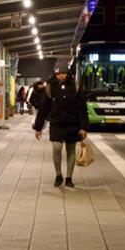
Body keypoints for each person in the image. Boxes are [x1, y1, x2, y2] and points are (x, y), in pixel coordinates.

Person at [33, 59, 89, 188]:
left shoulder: (75, 86)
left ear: (68, 73)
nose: (61, 76)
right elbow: (43, 108)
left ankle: (69, 178)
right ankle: (58, 175)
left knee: (71, 150)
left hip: (72, 124)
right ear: (55, 74)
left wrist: (83, 127)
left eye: (63, 73)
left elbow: (82, 108)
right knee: (56, 148)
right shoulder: (50, 87)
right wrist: (38, 127)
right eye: (58, 74)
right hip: (56, 124)